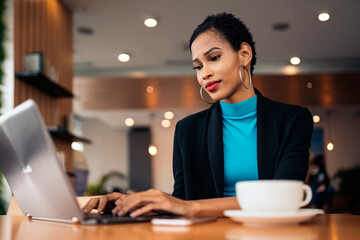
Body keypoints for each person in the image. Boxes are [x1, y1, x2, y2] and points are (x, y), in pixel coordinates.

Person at [82, 12, 313, 218]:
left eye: (213, 58)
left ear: (244, 54)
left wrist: (192, 208)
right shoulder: (187, 130)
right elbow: (181, 200)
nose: (205, 73)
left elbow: (284, 197)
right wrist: (131, 203)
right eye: (198, 66)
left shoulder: (293, 120)